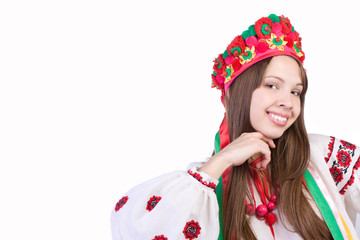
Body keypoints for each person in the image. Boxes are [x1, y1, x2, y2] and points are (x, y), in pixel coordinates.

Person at [111, 14, 360, 240]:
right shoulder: (201, 189)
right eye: (272, 85)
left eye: (296, 91)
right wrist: (222, 160)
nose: (288, 102)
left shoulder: (323, 157)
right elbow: (137, 225)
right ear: (232, 96)